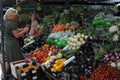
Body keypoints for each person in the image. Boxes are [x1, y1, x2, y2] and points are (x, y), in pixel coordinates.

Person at [3, 8, 30, 78]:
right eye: (15, 15)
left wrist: (21, 29)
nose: (16, 17)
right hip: (13, 45)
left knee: (10, 59)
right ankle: (18, 75)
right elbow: (17, 35)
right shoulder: (12, 23)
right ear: (11, 15)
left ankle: (8, 75)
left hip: (8, 43)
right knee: (16, 60)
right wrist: (25, 30)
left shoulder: (5, 22)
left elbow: (13, 30)